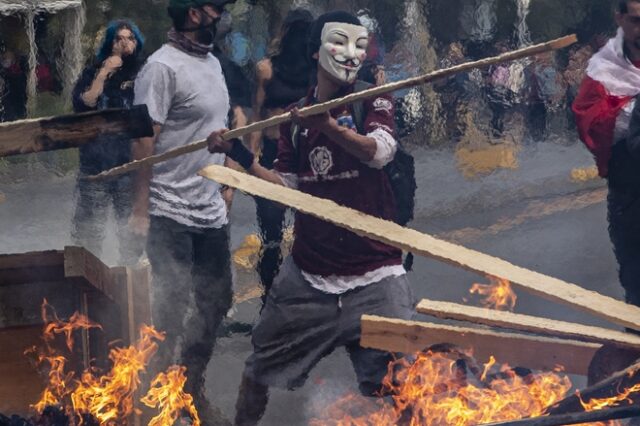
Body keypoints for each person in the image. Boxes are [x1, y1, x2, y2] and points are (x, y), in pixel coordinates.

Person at [208, 11, 416, 425]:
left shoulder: (374, 99)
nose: (351, 54)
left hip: (377, 277)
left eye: (359, 44)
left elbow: (378, 152)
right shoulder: (296, 119)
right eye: (339, 42)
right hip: (309, 279)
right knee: (257, 370)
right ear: (316, 51)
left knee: (403, 386)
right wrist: (241, 156)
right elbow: (288, 187)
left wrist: (333, 128)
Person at [129, 0, 235, 423]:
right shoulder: (160, 67)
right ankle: (157, 398)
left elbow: (218, 129)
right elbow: (142, 141)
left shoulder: (212, 63)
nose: (221, 16)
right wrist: (141, 209)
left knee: (216, 303)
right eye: (217, 8)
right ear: (195, 14)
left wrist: (226, 178)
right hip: (168, 208)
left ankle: (190, 389)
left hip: (209, 210)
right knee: (170, 310)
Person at [573, 0, 640, 308]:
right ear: (620, 18)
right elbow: (589, 121)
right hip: (631, 193)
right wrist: (631, 110)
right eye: (636, 20)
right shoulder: (604, 69)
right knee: (636, 282)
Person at [246, 8, 314, 299]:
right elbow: (257, 118)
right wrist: (250, 159)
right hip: (276, 154)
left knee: (307, 229)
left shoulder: (319, 68)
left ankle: (303, 295)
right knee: (272, 233)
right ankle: (271, 297)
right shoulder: (267, 69)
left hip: (309, 153)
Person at [70, 20, 145, 264]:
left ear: (137, 42)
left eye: (130, 38)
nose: (125, 42)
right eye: (119, 38)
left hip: (129, 166)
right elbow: (84, 104)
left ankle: (129, 285)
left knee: (131, 236)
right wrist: (104, 73)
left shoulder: (145, 72)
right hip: (95, 167)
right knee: (88, 235)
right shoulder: (93, 72)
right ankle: (87, 288)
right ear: (109, 43)